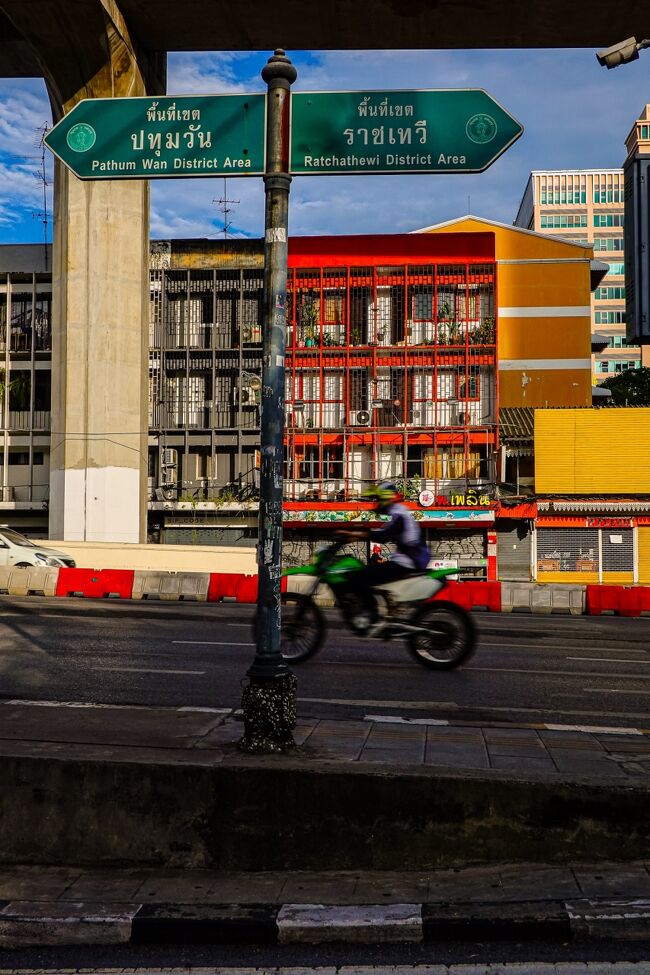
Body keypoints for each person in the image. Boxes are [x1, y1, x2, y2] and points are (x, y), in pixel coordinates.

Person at [339, 480, 430, 635]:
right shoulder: (399, 512)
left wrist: (356, 534)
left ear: (386, 498)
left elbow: (384, 535)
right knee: (372, 575)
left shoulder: (399, 513)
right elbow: (384, 535)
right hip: (409, 559)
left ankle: (373, 616)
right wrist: (357, 536)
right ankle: (384, 608)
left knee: (362, 576)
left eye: (378, 499)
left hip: (408, 561)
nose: (376, 504)